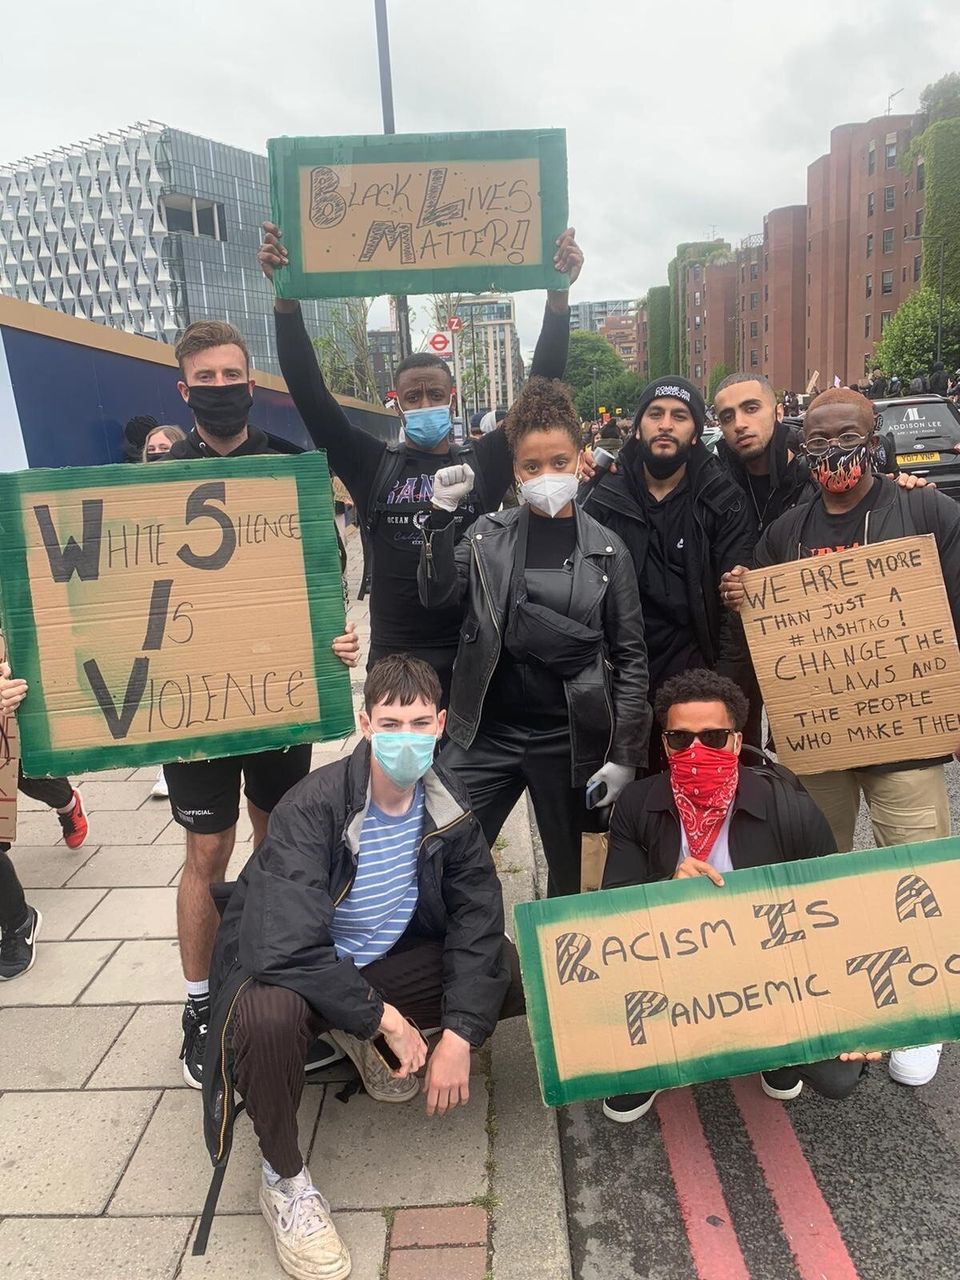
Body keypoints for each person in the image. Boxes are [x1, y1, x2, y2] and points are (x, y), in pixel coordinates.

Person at [201, 654, 524, 1280]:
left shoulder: (449, 810)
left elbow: (477, 919)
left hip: (377, 966)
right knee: (266, 1017)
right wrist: (390, 1021)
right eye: (391, 722)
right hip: (299, 971)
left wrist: (459, 1034)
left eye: (420, 722)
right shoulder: (312, 806)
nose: (406, 737)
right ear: (365, 724)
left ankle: (359, 1031)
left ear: (442, 727)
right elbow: (285, 947)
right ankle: (286, 1182)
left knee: (503, 968)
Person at [134, 319, 360, 1086]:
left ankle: (265, 977)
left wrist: (336, 642)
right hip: (189, 702)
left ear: (253, 383)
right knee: (206, 852)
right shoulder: (149, 482)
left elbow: (323, 581)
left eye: (234, 376)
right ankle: (200, 1005)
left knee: (279, 840)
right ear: (184, 388)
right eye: (208, 379)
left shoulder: (295, 470)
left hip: (277, 692)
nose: (223, 389)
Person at [722, 387, 960, 1087]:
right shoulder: (784, 532)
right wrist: (746, 595)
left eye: (846, 438)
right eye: (818, 443)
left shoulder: (926, 510)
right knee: (815, 869)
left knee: (915, 872)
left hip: (908, 734)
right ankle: (832, 993)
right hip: (819, 736)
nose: (833, 455)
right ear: (802, 447)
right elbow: (766, 636)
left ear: (875, 436)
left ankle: (919, 1013)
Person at [258, 222, 582, 705]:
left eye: (435, 392)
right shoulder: (370, 462)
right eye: (414, 395)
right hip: (396, 653)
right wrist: (286, 300)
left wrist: (558, 300)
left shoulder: (486, 458)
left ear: (451, 397)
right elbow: (310, 394)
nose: (425, 400)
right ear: (398, 402)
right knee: (398, 772)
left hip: (476, 643)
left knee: (471, 776)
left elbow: (541, 384)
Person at [600, 668, 879, 1122]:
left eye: (712, 737)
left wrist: (857, 1013)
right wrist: (666, 892)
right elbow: (612, 907)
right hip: (672, 960)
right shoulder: (637, 802)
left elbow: (836, 910)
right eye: (679, 739)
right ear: (664, 744)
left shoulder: (788, 804)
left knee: (837, 1075)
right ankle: (652, 1061)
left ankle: (777, 1051)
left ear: (735, 740)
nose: (695, 750)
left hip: (770, 968)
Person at [418, 377, 650, 897]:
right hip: (486, 735)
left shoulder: (609, 551)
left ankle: (557, 971)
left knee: (570, 876)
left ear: (579, 457)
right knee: (443, 855)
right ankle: (475, 965)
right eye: (531, 466)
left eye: (559, 463)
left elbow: (631, 656)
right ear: (516, 471)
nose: (547, 476)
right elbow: (435, 597)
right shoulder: (484, 534)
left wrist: (625, 754)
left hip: (568, 739)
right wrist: (439, 520)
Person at [581, 375, 756, 769]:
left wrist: (723, 691)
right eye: (655, 414)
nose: (665, 424)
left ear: (695, 432)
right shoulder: (601, 494)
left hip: (694, 669)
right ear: (638, 427)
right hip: (619, 672)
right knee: (622, 807)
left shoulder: (722, 500)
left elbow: (736, 608)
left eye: (679, 416)